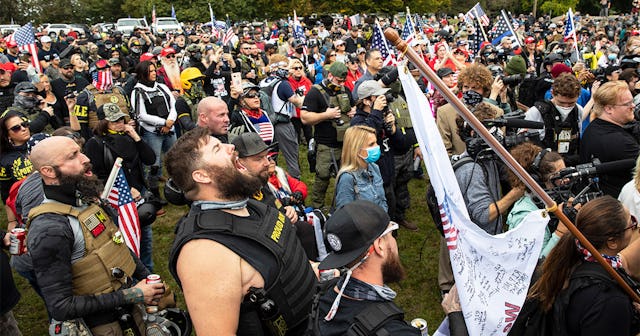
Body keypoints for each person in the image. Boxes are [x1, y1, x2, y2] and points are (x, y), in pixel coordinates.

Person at [166, 127, 316, 335]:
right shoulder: (204, 253)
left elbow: (285, 260)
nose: (231, 148)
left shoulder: (252, 206)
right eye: (218, 148)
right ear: (202, 175)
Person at [26, 136, 164, 335]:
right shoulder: (50, 229)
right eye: (73, 156)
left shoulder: (86, 202)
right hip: (100, 325)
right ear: (48, 171)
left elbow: (117, 243)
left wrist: (149, 279)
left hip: (131, 313)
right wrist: (134, 294)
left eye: (80, 151)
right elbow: (61, 306)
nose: (85, 159)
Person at [528, 196, 639, 335]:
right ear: (612, 242)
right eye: (632, 223)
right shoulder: (610, 300)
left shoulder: (567, 261)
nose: (635, 227)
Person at [310, 200, 419, 335]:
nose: (394, 241)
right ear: (379, 246)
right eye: (391, 234)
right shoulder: (396, 332)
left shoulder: (322, 297)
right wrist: (453, 315)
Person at [84, 103, 157, 270]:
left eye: (120, 119)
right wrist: (125, 188)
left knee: (145, 235)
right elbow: (95, 176)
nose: (119, 123)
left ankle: (148, 270)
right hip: (117, 197)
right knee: (123, 237)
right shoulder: (95, 143)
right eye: (113, 121)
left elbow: (150, 159)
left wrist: (136, 137)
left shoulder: (129, 136)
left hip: (139, 194)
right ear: (103, 122)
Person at [301, 62, 355, 210]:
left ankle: (344, 205)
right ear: (330, 75)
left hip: (345, 143)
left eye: (343, 81)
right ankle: (317, 207)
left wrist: (353, 111)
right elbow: (304, 117)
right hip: (326, 144)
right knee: (322, 176)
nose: (341, 84)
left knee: (347, 176)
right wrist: (326, 115)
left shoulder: (346, 90)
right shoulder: (315, 92)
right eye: (338, 80)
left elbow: (353, 105)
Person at [506, 143, 570, 258]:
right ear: (539, 181)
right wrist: (560, 232)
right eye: (559, 177)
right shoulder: (524, 215)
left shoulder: (552, 201)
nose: (566, 180)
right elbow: (536, 264)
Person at [580, 81, 639, 197]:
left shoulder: (593, 128)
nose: (633, 106)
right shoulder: (621, 142)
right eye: (627, 104)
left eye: (632, 102)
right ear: (609, 109)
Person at [131, 60, 177, 199]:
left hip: (170, 129)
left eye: (154, 70)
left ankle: (178, 185)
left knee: (175, 158)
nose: (154, 73)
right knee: (154, 164)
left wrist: (169, 122)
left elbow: (173, 105)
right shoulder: (137, 91)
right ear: (143, 73)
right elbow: (141, 115)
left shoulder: (162, 86)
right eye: (150, 71)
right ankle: (155, 193)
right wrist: (163, 122)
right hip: (152, 133)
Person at [334, 124, 387, 211]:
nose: (377, 147)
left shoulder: (374, 168)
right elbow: (344, 214)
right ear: (356, 149)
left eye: (376, 142)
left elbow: (382, 200)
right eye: (371, 144)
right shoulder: (347, 178)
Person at [0, 111, 32, 226]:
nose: (23, 129)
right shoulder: (5, 160)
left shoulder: (40, 143)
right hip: (26, 209)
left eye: (24, 124)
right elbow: (6, 192)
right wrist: (12, 221)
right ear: (8, 135)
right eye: (16, 128)